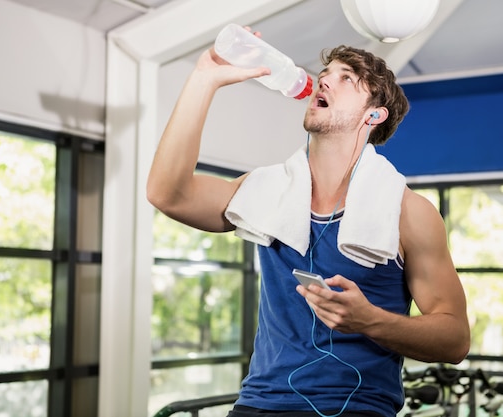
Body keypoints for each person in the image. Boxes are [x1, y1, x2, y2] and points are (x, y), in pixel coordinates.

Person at [147, 28, 470, 417]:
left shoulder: (409, 212)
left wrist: (370, 320)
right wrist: (205, 77)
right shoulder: (264, 190)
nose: (325, 78)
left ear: (374, 114)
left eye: (346, 78)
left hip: (356, 410)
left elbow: (454, 339)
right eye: (326, 72)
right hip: (257, 405)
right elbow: (168, 194)